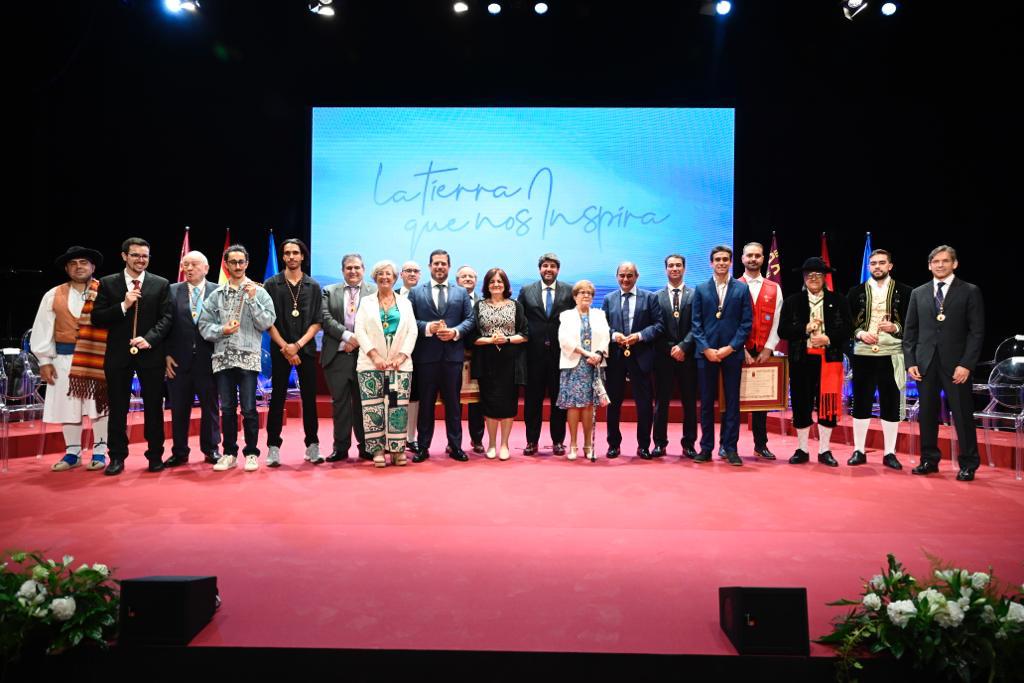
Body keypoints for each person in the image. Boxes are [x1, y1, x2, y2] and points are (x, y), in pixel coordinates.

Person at [91, 237, 173, 476]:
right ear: (124, 256)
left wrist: (150, 339)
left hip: (151, 354)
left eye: (145, 256)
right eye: (135, 255)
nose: (140, 260)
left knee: (154, 409)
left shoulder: (160, 284)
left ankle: (155, 455)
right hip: (118, 356)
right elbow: (97, 318)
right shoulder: (107, 284)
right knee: (117, 409)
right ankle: (116, 457)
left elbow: (167, 318)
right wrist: (123, 305)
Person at [903, 245, 985, 481]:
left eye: (945, 261)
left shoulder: (970, 291)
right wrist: (911, 362)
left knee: (962, 415)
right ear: (929, 265)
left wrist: (967, 364)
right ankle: (929, 459)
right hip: (925, 364)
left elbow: (976, 332)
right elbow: (910, 332)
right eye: (936, 261)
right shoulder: (918, 293)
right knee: (927, 415)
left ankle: (968, 463)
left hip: (957, 365)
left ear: (955, 264)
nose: (940, 265)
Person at [30, 246, 110, 472]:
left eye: (84, 262)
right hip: (64, 359)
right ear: (67, 268)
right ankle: (72, 452)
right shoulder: (53, 294)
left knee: (99, 406)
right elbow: (43, 328)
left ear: (92, 267)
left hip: (97, 358)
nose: (79, 267)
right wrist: (44, 361)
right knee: (69, 407)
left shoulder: (105, 290)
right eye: (73, 264)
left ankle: (100, 451)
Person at [198, 245, 276, 472]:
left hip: (248, 358)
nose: (238, 266)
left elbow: (267, 323)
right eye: (233, 262)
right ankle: (229, 453)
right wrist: (223, 329)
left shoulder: (259, 292)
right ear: (226, 265)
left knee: (250, 408)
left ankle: (251, 453)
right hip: (222, 358)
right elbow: (203, 326)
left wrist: (252, 300)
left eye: (242, 261)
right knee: (228, 409)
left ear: (247, 263)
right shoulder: (216, 295)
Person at [778, 257, 853, 467]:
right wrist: (805, 329)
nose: (814, 279)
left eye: (818, 275)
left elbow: (848, 328)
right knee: (801, 403)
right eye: (809, 275)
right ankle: (802, 449)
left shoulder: (839, 300)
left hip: (829, 360)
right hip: (801, 360)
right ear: (804, 278)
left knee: (827, 405)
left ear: (824, 278)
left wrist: (828, 338)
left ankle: (824, 450)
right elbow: (782, 330)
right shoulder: (793, 301)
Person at [407, 249, 476, 462]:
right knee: (426, 405)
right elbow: (410, 321)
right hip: (426, 358)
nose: (439, 267)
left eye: (443, 264)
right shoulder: (417, 292)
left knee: (454, 405)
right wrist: (429, 327)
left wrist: (455, 332)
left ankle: (455, 446)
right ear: (429, 266)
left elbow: (470, 319)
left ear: (449, 266)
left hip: (452, 357)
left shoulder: (461, 293)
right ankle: (423, 447)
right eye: (435, 263)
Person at [846, 248, 912, 469]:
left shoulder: (905, 291)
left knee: (890, 403)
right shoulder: (855, 292)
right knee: (861, 402)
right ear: (868, 266)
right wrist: (859, 333)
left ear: (890, 266)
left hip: (892, 354)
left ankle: (890, 453)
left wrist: (895, 327)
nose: (877, 267)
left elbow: (913, 326)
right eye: (873, 263)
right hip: (863, 354)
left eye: (882, 263)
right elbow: (846, 324)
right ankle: (858, 450)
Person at [263, 238, 323, 467]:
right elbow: (267, 321)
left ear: (303, 256)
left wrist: (296, 346)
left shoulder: (313, 286)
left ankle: (313, 444)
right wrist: (285, 347)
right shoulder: (272, 284)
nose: (291, 257)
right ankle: (273, 447)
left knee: (309, 399)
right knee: (277, 399)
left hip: (305, 349)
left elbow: (317, 322)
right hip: (280, 349)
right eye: (287, 253)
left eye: (295, 253)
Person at [690, 245, 752, 466]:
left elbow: (746, 324)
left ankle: (730, 448)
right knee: (706, 403)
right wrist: (706, 348)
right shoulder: (701, 289)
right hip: (705, 354)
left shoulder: (741, 289)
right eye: (717, 259)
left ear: (731, 262)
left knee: (732, 403)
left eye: (725, 259)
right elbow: (695, 323)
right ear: (711, 263)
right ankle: (706, 448)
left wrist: (731, 347)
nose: (721, 263)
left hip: (731, 354)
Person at [354, 261, 418, 467]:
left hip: (400, 365)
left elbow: (412, 332)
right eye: (380, 274)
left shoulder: (405, 303)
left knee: (398, 408)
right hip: (370, 363)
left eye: (389, 274)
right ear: (374, 278)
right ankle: (378, 450)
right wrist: (375, 356)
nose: (384, 277)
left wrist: (401, 356)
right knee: (373, 409)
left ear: (395, 277)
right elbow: (360, 330)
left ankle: (398, 450)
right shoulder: (366, 302)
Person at [163, 250, 221, 467]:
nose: (188, 268)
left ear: (206, 268)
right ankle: (179, 452)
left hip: (210, 360)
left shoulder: (219, 291)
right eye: (185, 264)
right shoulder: (171, 291)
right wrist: (165, 355)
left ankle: (211, 449)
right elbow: (164, 325)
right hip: (178, 361)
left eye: (194, 264)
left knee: (211, 408)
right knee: (178, 408)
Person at [601, 261, 663, 459]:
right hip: (616, 358)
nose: (625, 279)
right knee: (614, 404)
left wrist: (640, 336)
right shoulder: (609, 299)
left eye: (629, 276)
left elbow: (659, 325)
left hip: (641, 357)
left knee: (644, 404)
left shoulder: (650, 298)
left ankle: (643, 445)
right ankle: (613, 445)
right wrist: (614, 335)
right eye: (622, 275)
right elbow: (603, 327)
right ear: (617, 276)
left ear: (636, 276)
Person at [468, 268, 529, 461]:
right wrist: (490, 340)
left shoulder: (516, 305)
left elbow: (525, 334)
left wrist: (507, 339)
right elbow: (472, 336)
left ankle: (504, 444)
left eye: (499, 281)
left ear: (506, 285)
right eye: (492, 281)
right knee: (490, 403)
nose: (496, 284)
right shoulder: (478, 306)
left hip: (510, 362)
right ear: (486, 285)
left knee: (509, 404)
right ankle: (492, 443)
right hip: (486, 361)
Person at [321, 253, 376, 462]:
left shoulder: (374, 291)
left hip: (366, 356)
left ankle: (367, 447)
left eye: (357, 267)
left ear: (363, 269)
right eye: (348, 268)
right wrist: (347, 336)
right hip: (337, 355)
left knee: (365, 404)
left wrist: (359, 339)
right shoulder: (328, 291)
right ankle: (341, 448)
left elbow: (378, 321)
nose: (353, 271)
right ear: (342, 270)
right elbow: (325, 318)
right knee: (340, 404)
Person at [518, 253, 574, 456]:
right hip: (533, 356)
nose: (548, 269)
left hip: (561, 356)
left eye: (552, 266)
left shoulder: (569, 291)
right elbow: (519, 320)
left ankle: (558, 441)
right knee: (532, 401)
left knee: (559, 401)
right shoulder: (526, 291)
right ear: (539, 268)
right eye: (544, 266)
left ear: (558, 269)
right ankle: (531, 441)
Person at [738, 242, 783, 460]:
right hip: (738, 352)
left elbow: (777, 321)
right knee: (732, 401)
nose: (753, 259)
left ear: (763, 259)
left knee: (761, 403)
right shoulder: (734, 285)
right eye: (749, 255)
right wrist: (740, 349)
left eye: (757, 255)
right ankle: (728, 445)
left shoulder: (774, 288)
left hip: (764, 352)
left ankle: (761, 444)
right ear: (742, 258)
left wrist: (769, 348)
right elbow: (729, 323)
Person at [556, 280, 610, 461]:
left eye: (589, 293)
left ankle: (588, 445)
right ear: (575, 296)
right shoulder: (566, 315)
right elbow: (564, 340)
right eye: (582, 293)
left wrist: (599, 354)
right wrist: (587, 353)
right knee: (573, 406)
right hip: (574, 363)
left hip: (594, 364)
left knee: (588, 406)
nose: (586, 295)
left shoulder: (599, 314)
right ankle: (572, 445)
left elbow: (605, 337)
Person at [652, 254, 698, 459]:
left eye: (678, 265)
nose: (675, 269)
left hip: (688, 358)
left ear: (684, 269)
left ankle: (689, 444)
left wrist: (683, 347)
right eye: (671, 265)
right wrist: (672, 348)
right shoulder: (656, 297)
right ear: (665, 269)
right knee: (661, 403)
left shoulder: (695, 295)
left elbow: (698, 325)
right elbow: (655, 328)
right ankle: (660, 443)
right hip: (663, 358)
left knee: (689, 403)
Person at [457, 265, 486, 454]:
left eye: (471, 276)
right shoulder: (452, 300)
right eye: (464, 276)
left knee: (477, 402)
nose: (468, 279)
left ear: (476, 280)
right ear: (457, 280)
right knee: (454, 402)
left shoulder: (484, 302)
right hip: (455, 357)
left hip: (479, 357)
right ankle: (455, 441)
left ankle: (477, 439)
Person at [397, 260, 422, 451]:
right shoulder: (391, 295)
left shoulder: (424, 295)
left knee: (414, 396)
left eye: (416, 271)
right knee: (394, 395)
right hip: (393, 355)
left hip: (419, 354)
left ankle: (410, 438)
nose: (412, 274)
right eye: (408, 271)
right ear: (401, 274)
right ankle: (394, 436)